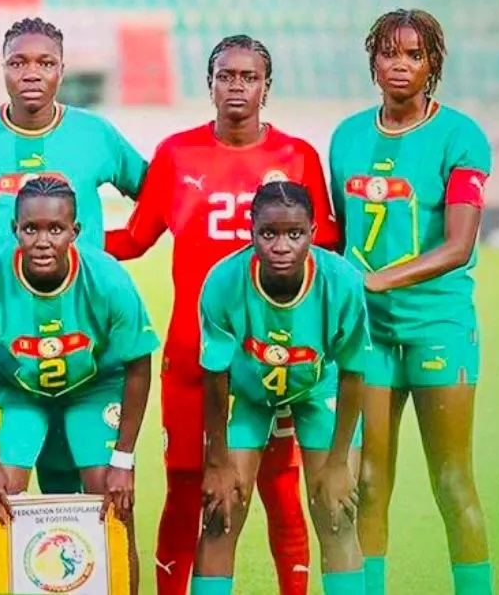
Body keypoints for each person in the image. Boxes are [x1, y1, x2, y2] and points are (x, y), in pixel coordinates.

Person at [105, 34, 338, 594]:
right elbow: (134, 239)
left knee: (281, 491)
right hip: (192, 355)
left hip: (275, 357)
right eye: (226, 76)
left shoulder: (297, 157)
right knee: (187, 491)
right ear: (209, 83)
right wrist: (66, 240)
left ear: (266, 86)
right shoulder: (176, 155)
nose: (237, 86)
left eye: (249, 76)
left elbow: (327, 249)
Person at [0, 17, 147, 584]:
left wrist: (108, 252)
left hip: (85, 353)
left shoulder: (95, 135)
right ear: (2, 68)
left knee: (93, 500)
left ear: (62, 71)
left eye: (44, 62)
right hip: (7, 352)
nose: (31, 73)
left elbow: (151, 193)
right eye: (18, 62)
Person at [330, 9, 492, 595]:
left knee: (452, 481)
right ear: (372, 60)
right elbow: (339, 237)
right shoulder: (347, 137)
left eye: (414, 55)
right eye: (389, 52)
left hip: (438, 326)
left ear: (433, 65)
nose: (400, 65)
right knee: (369, 483)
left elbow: (459, 245)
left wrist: (380, 280)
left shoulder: (460, 136)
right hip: (368, 335)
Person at [0, 176, 158, 594]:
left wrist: (123, 460)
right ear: (15, 229)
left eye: (56, 229)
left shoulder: (108, 279)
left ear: (75, 231)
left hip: (94, 388)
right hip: (18, 391)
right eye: (31, 229)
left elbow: (139, 365)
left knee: (113, 500)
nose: (43, 241)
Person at [192, 181, 368, 595]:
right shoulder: (223, 281)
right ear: (251, 231)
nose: (281, 246)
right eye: (268, 233)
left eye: (295, 234)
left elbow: (354, 372)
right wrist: (217, 461)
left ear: (313, 233)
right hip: (249, 392)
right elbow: (214, 376)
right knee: (220, 514)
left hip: (318, 390)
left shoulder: (342, 281)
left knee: (337, 514)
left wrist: (338, 462)